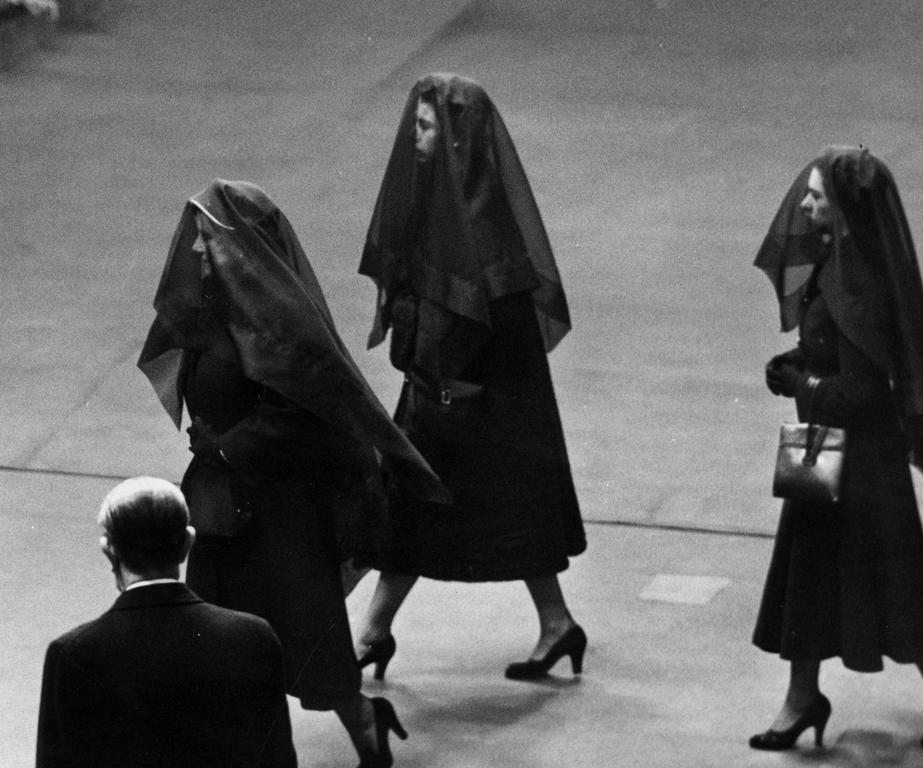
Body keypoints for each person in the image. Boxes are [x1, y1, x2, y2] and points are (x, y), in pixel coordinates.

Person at [138, 180, 449, 767]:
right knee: (216, 636)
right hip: (227, 506)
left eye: (208, 238)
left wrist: (229, 449)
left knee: (306, 643)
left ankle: (363, 721)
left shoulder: (279, 323)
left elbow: (304, 416)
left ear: (242, 247)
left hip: (282, 514)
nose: (197, 250)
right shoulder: (213, 311)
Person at [750, 147, 923, 751]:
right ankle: (822, 695)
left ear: (846, 207)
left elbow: (864, 395)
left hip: (858, 465)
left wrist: (802, 385)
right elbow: (834, 350)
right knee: (832, 580)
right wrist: (800, 362)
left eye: (817, 196)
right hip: (829, 452)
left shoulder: (861, 285)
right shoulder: (839, 265)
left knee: (875, 585)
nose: (804, 205)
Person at [353, 72, 587, 681]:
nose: (415, 138)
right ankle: (555, 623)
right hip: (463, 399)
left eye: (426, 127)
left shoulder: (483, 231)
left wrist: (421, 337)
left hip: (472, 402)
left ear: (458, 140)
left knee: (421, 509)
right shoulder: (443, 210)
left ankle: (374, 633)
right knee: (486, 513)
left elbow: (474, 327)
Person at [36, 476, 296, 768]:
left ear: (109, 550)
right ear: (188, 542)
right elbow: (278, 758)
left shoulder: (74, 653)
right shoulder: (253, 638)